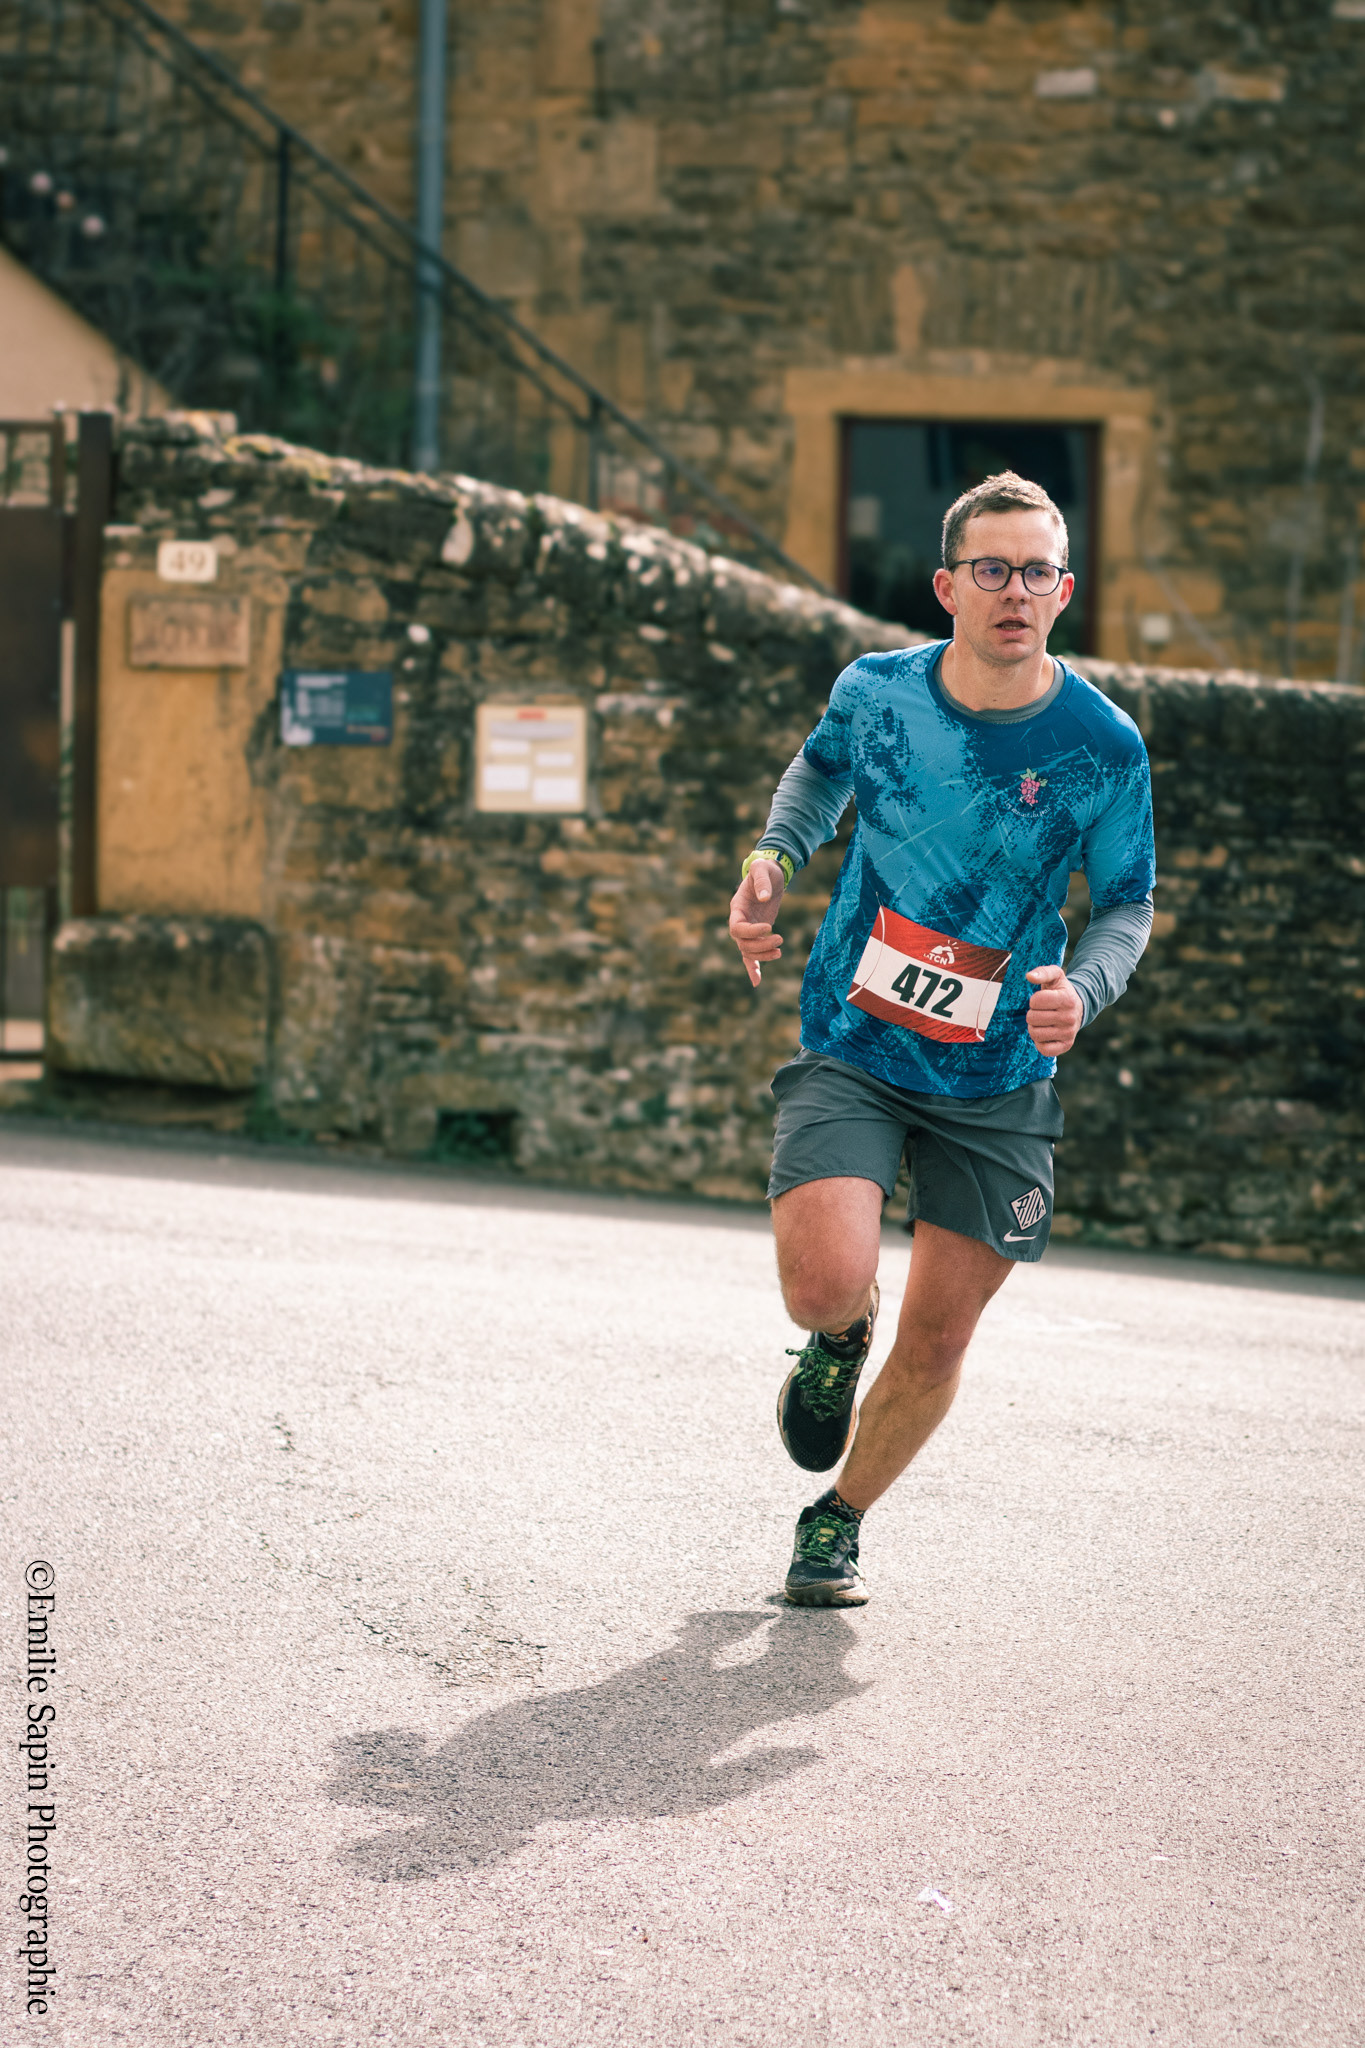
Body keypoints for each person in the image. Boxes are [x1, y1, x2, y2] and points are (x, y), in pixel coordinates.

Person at [728, 471, 1155, 1607]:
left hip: (1000, 1073)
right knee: (823, 1284)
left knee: (939, 1339)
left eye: (1036, 572)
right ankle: (835, 1340)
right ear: (946, 587)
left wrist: (1087, 989)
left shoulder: (1102, 745)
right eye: (991, 569)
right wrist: (773, 856)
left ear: (1063, 591)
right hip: (856, 1040)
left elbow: (1126, 902)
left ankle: (837, 1520)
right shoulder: (877, 693)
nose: (1015, 591)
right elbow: (819, 771)